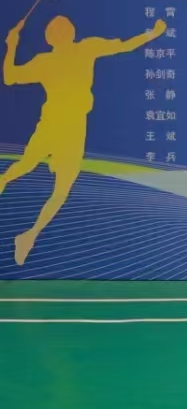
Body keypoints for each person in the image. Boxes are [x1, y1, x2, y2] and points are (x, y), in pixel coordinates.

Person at [2, 15, 167, 265]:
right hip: (55, 123)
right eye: (58, 28)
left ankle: (29, 235)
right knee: (30, 166)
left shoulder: (80, 50)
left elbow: (124, 45)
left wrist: (11, 45)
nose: (62, 30)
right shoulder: (55, 58)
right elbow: (10, 77)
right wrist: (12, 45)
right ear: (52, 37)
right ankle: (5, 183)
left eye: (64, 26)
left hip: (73, 127)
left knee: (59, 186)